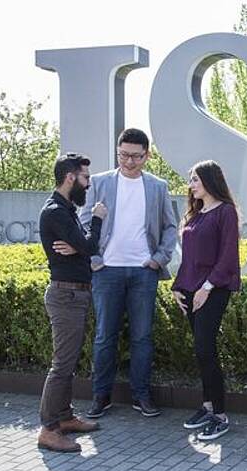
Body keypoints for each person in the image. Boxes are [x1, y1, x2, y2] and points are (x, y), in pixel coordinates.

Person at [77, 128, 177, 419]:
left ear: (147, 155)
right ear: (117, 152)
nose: (129, 161)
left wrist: (159, 259)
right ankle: (100, 396)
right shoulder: (99, 182)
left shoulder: (158, 186)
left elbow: (171, 227)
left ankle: (141, 395)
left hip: (143, 271)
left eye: (135, 156)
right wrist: (94, 258)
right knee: (104, 336)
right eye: (123, 155)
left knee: (142, 337)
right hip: (106, 271)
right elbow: (84, 221)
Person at [37, 153, 107, 452]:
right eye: (85, 178)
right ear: (70, 178)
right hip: (65, 295)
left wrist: (78, 248)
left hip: (75, 293)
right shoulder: (56, 212)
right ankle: (48, 430)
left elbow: (81, 246)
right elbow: (90, 245)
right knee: (61, 365)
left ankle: (64, 417)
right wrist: (97, 219)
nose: (88, 184)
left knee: (68, 362)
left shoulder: (65, 210)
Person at [171, 160, 240, 441]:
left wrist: (207, 287)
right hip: (189, 289)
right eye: (191, 180)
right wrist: (178, 286)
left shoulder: (226, 212)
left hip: (213, 289)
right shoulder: (196, 214)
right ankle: (207, 405)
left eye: (196, 179)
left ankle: (220, 415)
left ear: (211, 181)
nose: (191, 185)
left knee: (205, 348)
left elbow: (227, 256)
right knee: (200, 351)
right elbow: (188, 258)